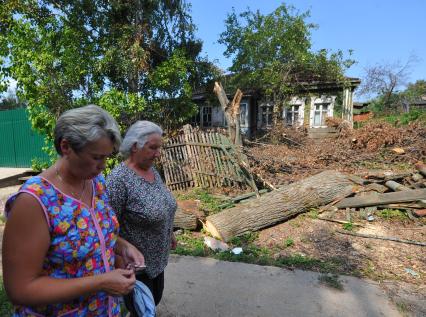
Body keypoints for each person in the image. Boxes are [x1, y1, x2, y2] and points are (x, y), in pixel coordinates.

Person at [2, 105, 145, 316]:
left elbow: (89, 232)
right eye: (96, 157)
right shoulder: (34, 201)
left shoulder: (96, 183)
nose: (103, 165)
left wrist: (121, 247)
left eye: (106, 157)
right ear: (66, 146)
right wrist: (100, 283)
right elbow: (20, 289)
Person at [106, 121, 177, 315]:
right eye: (153, 147)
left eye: (159, 147)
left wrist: (169, 232)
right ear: (135, 146)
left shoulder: (152, 171)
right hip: (135, 268)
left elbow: (163, 205)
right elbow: (106, 227)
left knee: (153, 303)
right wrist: (119, 261)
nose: (158, 153)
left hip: (158, 260)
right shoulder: (118, 180)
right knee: (141, 310)